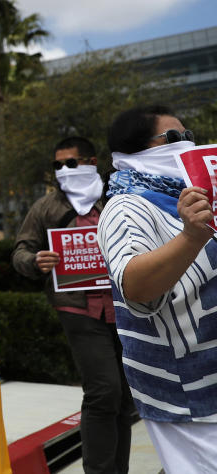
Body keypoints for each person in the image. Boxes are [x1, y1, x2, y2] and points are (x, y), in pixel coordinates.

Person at [97, 105, 217, 472]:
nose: (188, 145)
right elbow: (136, 286)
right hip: (189, 393)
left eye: (190, 136)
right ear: (135, 151)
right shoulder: (125, 207)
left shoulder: (194, 197)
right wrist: (191, 237)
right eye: (176, 139)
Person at [13, 136, 133, 473]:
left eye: (70, 163)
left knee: (124, 399)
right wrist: (35, 260)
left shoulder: (117, 199)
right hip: (77, 309)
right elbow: (20, 251)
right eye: (57, 166)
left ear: (91, 162)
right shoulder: (45, 207)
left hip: (126, 308)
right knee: (103, 391)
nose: (63, 171)